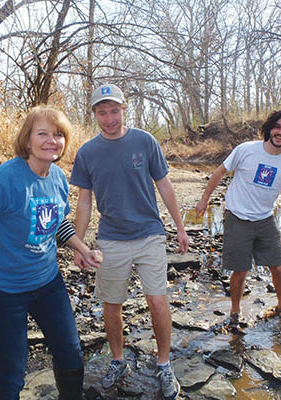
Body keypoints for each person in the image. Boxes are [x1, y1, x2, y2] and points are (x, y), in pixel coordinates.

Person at [0, 105, 103, 400]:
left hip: (47, 283)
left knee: (71, 355)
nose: (51, 140)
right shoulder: (2, 181)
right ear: (27, 140)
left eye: (58, 134)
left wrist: (82, 248)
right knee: (12, 376)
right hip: (3, 290)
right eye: (42, 133)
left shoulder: (57, 178)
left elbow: (55, 224)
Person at [70, 84, 189, 400]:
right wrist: (79, 245)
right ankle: (118, 360)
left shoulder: (144, 141)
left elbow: (164, 186)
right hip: (111, 239)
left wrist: (180, 227)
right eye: (101, 112)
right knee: (112, 304)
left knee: (157, 300)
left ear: (124, 109)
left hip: (150, 233)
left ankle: (163, 364)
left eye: (114, 111)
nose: (108, 118)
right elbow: (84, 202)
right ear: (95, 114)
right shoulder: (87, 152)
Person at [195, 110, 281, 329]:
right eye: (277, 126)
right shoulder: (246, 150)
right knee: (241, 269)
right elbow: (219, 172)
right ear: (269, 128)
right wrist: (204, 199)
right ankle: (235, 311)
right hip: (237, 218)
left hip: (265, 219)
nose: (280, 132)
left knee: (279, 267)